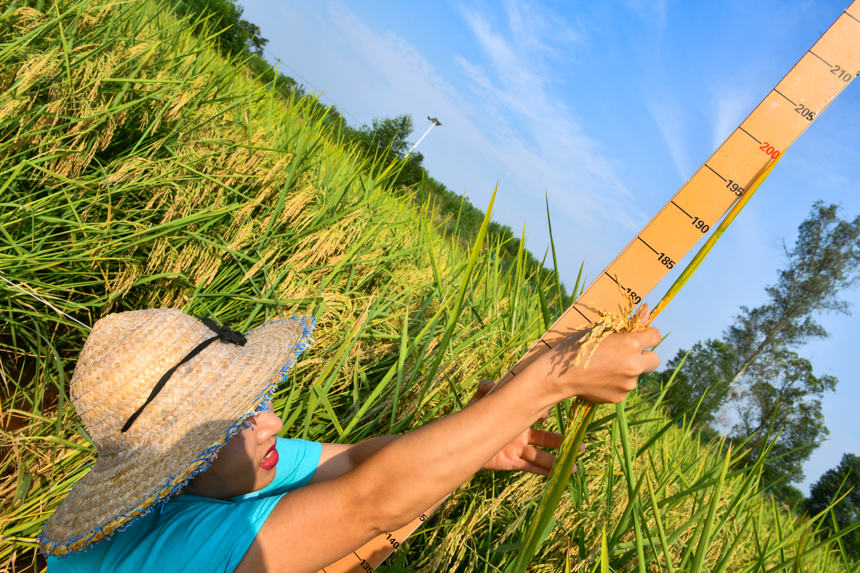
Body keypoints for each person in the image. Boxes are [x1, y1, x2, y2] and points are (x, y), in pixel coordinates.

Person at [39, 306, 660, 572]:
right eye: (242, 419)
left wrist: (478, 440)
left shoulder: (207, 483)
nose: (274, 423)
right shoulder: (177, 552)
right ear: (181, 461)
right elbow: (372, 499)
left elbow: (361, 462)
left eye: (262, 403)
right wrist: (553, 380)